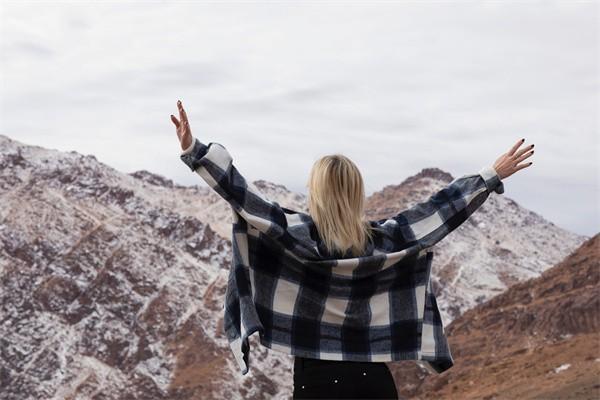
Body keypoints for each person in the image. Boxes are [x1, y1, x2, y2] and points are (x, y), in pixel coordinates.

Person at [170, 99, 534, 399]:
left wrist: (194, 151)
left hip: (316, 382)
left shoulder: (296, 236)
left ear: (316, 192)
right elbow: (436, 213)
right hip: (373, 382)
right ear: (356, 192)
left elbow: (243, 197)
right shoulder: (384, 241)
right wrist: (490, 175)